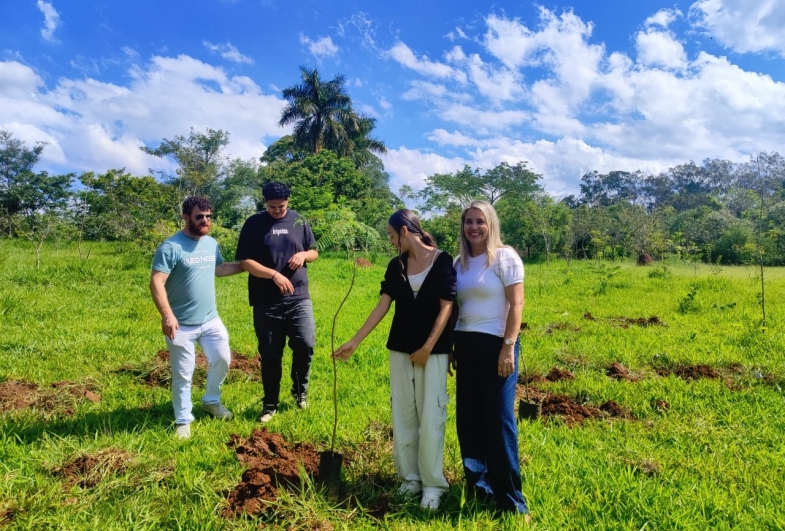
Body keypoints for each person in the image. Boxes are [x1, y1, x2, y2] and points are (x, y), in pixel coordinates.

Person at [333, 209, 456, 511]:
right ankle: (409, 479)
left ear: (403, 231)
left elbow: (446, 307)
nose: (389, 242)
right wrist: (354, 341)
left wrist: (429, 346)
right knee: (403, 414)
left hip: (434, 353)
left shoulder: (442, 261)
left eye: (390, 235)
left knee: (431, 416)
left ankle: (432, 484)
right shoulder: (396, 265)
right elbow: (382, 306)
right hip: (400, 349)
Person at [451, 200, 531, 521]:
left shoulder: (505, 257)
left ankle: (512, 500)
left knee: (499, 421)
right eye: (468, 221)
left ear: (491, 224)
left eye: (480, 222)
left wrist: (508, 347)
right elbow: (457, 308)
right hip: (466, 346)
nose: (473, 227)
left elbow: (517, 304)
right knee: (469, 421)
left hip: (498, 345)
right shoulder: (459, 263)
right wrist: (453, 347)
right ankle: (479, 489)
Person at [150, 196, 244, 440]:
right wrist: (167, 315)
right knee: (184, 373)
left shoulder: (211, 243)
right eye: (199, 217)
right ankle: (183, 421)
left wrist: (247, 266)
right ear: (186, 218)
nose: (205, 221)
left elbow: (220, 269)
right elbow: (156, 282)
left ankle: (211, 401)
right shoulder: (171, 247)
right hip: (180, 324)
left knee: (223, 359)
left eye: (209, 217)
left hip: (210, 320)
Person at [236, 181, 318, 422]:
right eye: (272, 207)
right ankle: (270, 403)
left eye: (281, 207)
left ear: (288, 202)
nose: (277, 211)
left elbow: (314, 251)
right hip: (266, 301)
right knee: (271, 353)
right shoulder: (254, 224)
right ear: (265, 203)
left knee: (305, 343)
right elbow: (244, 261)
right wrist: (273, 274)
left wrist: (304, 254)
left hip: (299, 297)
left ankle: (300, 391)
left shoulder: (298, 221)